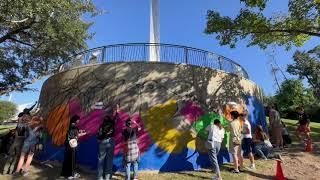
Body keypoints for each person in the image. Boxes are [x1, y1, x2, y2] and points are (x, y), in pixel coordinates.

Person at [61, 115, 87, 179]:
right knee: (72, 160)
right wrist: (84, 133)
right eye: (78, 119)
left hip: (68, 146)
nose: (79, 121)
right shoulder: (74, 127)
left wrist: (80, 131)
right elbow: (77, 135)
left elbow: (74, 133)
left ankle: (66, 173)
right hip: (72, 146)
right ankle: (71, 175)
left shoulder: (70, 126)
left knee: (67, 160)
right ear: (75, 120)